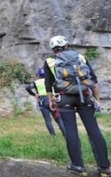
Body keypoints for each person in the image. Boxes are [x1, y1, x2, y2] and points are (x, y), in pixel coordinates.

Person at [43, 35, 110, 176]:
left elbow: (48, 84)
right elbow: (94, 81)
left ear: (53, 49)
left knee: (71, 131)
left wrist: (50, 100)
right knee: (94, 130)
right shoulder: (81, 57)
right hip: (85, 97)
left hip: (64, 98)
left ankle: (78, 166)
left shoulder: (50, 62)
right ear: (66, 46)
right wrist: (97, 100)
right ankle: (104, 167)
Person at [25, 67, 66, 137]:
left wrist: (34, 94)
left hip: (42, 101)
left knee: (48, 120)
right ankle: (65, 134)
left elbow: (28, 88)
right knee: (58, 118)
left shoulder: (36, 82)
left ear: (38, 75)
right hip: (52, 100)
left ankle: (53, 136)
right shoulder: (51, 80)